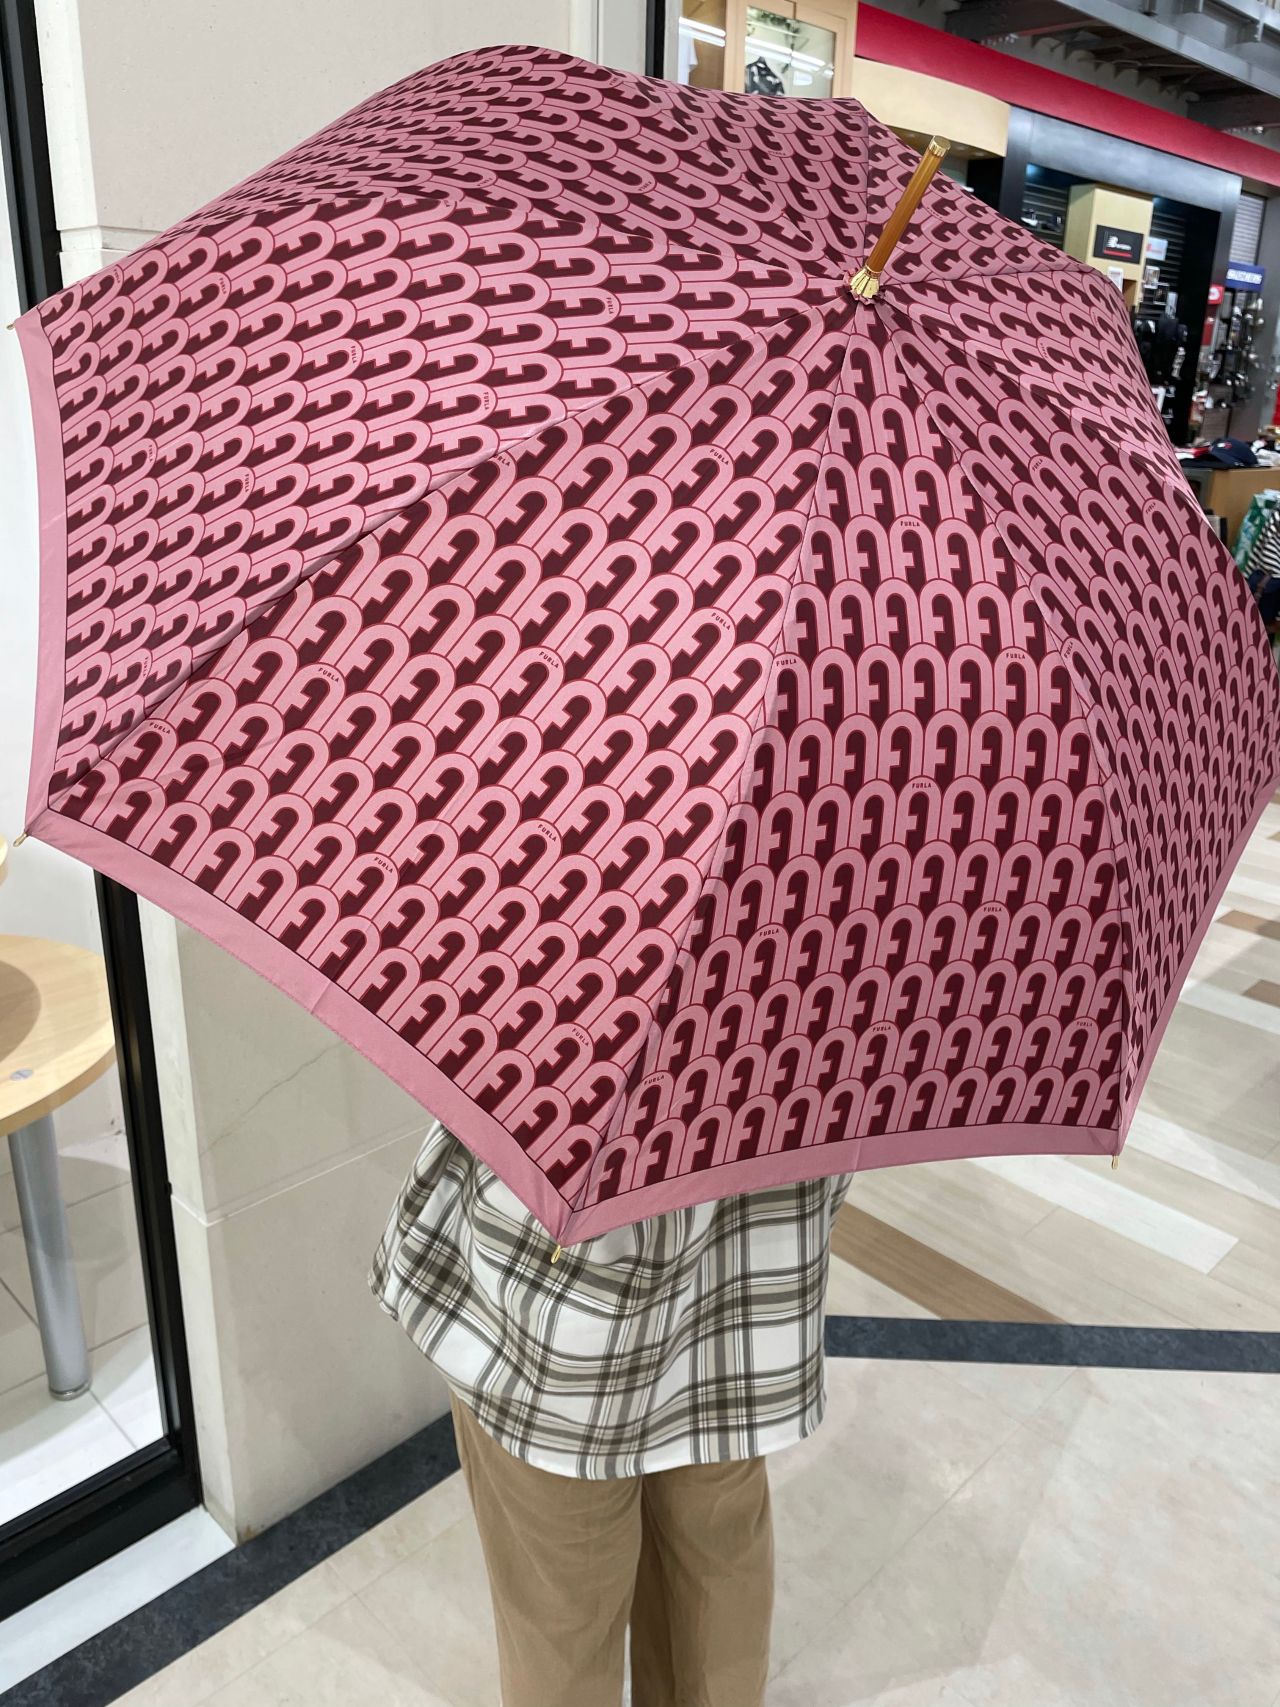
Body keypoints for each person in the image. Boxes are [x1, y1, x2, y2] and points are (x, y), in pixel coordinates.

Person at [370, 1118, 851, 1707]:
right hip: (746, 1299)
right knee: (716, 1558)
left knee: (563, 1612)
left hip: (570, 1333)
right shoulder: (823, 1052)